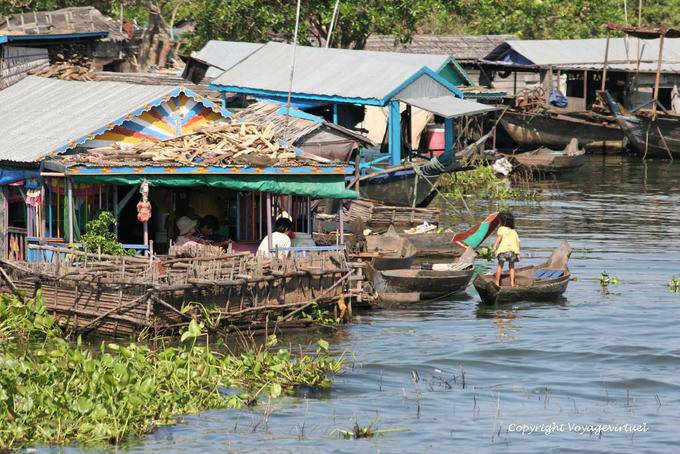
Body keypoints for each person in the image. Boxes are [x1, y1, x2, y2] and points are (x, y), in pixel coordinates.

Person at [493, 212, 521, 287]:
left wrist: (494, 247)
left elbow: (499, 239)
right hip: (512, 252)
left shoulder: (501, 229)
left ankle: (497, 283)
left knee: (500, 266)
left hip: (503, 251)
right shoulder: (513, 231)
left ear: (502, 221)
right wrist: (518, 253)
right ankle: (512, 283)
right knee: (511, 267)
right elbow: (518, 242)